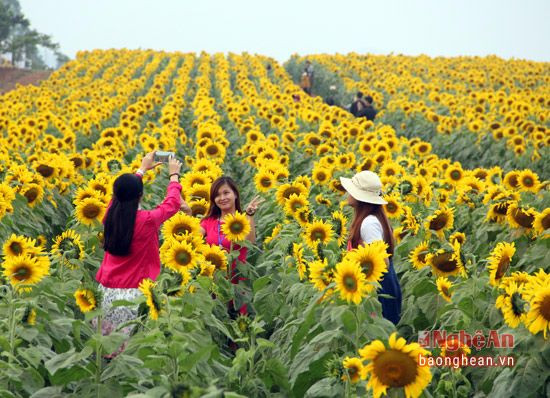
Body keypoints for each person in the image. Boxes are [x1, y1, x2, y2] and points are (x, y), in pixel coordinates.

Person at [95, 151, 183, 348]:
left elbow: (118, 197)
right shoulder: (147, 220)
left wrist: (141, 170)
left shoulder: (109, 216)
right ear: (141, 195)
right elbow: (172, 203)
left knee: (108, 349)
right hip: (134, 295)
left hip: (106, 293)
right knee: (131, 354)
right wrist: (174, 176)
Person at [340, 171, 402, 325]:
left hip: (378, 292)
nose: (347, 193)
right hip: (375, 288)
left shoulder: (369, 223)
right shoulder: (369, 219)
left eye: (351, 190)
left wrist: (363, 272)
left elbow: (383, 262)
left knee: (379, 335)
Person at [196, 176, 264, 316]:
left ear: (235, 194)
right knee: (217, 320)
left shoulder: (243, 221)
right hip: (215, 281)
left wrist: (250, 214)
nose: (222, 198)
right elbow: (192, 240)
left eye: (226, 193)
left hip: (237, 282)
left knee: (238, 323)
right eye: (217, 195)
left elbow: (250, 242)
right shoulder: (208, 222)